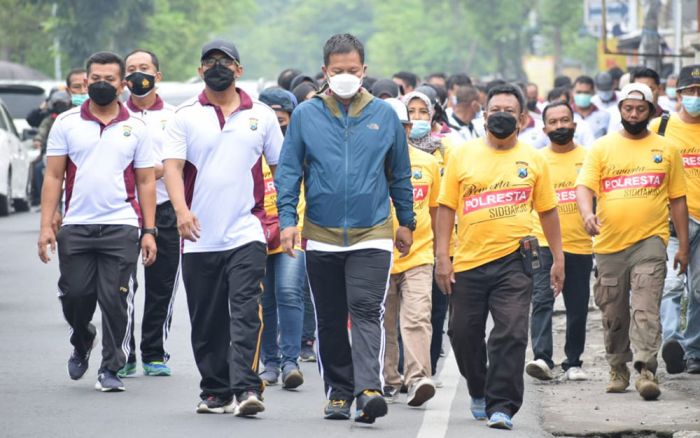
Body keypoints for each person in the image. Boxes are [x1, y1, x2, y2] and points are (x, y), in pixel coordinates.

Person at [275, 33, 415, 423]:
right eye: (338, 71)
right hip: (321, 234)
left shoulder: (385, 116)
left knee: (368, 310)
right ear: (325, 72)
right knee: (331, 317)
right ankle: (338, 391)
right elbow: (289, 173)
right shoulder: (306, 115)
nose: (346, 77)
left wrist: (406, 221)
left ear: (365, 71)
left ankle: (368, 388)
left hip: (373, 232)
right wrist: (289, 221)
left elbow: (399, 174)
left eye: (353, 70)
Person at [162, 39, 283, 416]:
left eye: (225, 61)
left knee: (246, 312)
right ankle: (215, 391)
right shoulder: (184, 116)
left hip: (247, 231)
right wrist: (181, 212)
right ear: (200, 71)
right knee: (207, 318)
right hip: (198, 237)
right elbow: (172, 168)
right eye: (210, 61)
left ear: (239, 69)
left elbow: (281, 167)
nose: (218, 66)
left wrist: (289, 218)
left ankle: (247, 387)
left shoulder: (260, 115)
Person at [435, 84, 564, 430]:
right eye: (495, 110)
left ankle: (502, 405)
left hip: (516, 260)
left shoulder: (534, 160)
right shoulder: (462, 155)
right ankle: (478, 387)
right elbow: (446, 208)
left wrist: (559, 257)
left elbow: (549, 212)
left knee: (511, 333)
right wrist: (442, 257)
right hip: (468, 261)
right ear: (484, 114)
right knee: (462, 333)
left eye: (509, 110)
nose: (501, 115)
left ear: (522, 118)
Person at [37, 51, 157, 392]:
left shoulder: (137, 127)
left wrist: (148, 231)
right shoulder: (66, 123)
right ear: (86, 81)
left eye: (109, 79)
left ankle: (110, 368)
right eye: (96, 79)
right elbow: (53, 176)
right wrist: (47, 225)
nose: (102, 84)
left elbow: (146, 181)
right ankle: (82, 336)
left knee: (116, 300)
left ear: (122, 84)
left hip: (121, 226)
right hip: (76, 226)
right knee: (76, 295)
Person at [576, 83, 688, 401]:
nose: (634, 114)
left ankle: (646, 370)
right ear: (620, 110)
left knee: (645, 308)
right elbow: (584, 187)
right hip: (609, 243)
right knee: (614, 312)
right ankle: (618, 368)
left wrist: (681, 246)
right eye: (628, 109)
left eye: (640, 109)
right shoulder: (602, 148)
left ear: (651, 112)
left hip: (650, 240)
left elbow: (677, 199)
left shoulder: (666, 150)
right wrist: (587, 214)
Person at [118, 49, 178, 378]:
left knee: (162, 285)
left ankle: (154, 352)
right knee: (122, 287)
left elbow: (180, 166)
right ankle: (124, 352)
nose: (138, 74)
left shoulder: (174, 116)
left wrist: (153, 171)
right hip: (126, 211)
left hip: (167, 210)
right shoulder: (114, 117)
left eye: (145, 68)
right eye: (131, 69)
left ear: (158, 75)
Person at [525, 101, 593, 382]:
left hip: (580, 244)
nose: (559, 126)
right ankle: (542, 358)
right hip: (541, 243)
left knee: (577, 304)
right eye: (553, 122)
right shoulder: (535, 160)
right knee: (541, 300)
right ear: (544, 128)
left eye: (564, 120)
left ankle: (573, 361)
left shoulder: (590, 158)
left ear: (574, 125)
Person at [381, 97, 439, 407]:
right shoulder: (371, 164)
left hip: (419, 255)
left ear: (407, 129)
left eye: (399, 127)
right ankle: (390, 380)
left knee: (417, 317)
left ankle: (417, 378)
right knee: (385, 322)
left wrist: (444, 253)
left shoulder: (429, 164)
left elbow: (437, 211)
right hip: (377, 254)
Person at [255, 87, 306, 389]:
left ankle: (291, 362)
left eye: (282, 118)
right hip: (257, 233)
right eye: (271, 118)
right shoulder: (252, 148)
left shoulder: (301, 147)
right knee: (265, 299)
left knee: (288, 292)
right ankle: (269, 363)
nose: (277, 123)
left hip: (292, 232)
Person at [651, 65, 700, 375]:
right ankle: (673, 341)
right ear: (678, 95)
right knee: (670, 286)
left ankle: (694, 351)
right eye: (691, 92)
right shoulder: (661, 127)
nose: (696, 97)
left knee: (698, 290)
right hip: (670, 219)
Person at [608, 67, 664, 133]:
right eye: (639, 90)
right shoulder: (618, 119)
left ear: (659, 89)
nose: (645, 95)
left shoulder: (669, 120)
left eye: (650, 89)